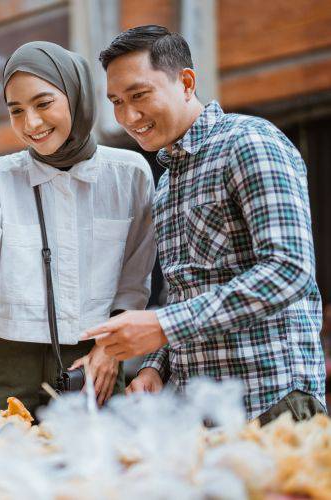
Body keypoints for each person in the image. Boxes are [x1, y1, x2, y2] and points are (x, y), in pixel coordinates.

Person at [83, 25, 327, 424]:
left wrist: (162, 325)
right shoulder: (166, 183)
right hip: (199, 415)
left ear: (187, 82)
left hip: (273, 404)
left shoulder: (249, 142)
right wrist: (155, 366)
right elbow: (187, 296)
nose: (128, 116)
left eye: (139, 95)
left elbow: (289, 271)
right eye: (116, 101)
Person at [0, 41, 156, 414]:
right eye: (16, 111)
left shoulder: (130, 174)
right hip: (2, 358)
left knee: (96, 468)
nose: (32, 123)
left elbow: (134, 280)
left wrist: (109, 350)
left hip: (94, 357)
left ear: (76, 96)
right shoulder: (0, 176)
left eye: (44, 104)